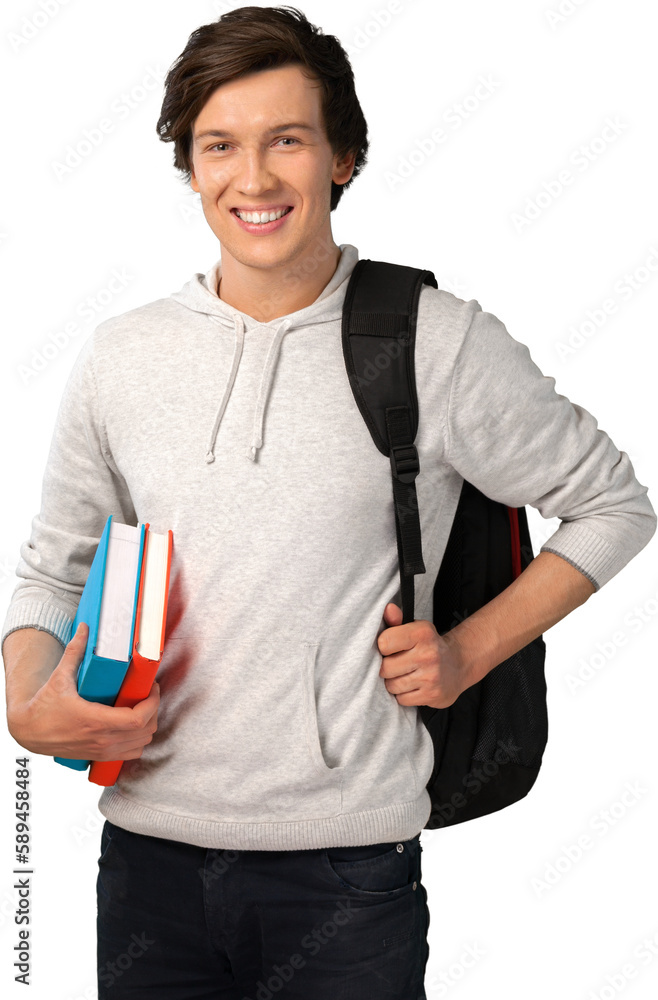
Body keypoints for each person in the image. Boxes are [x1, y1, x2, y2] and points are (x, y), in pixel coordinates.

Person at [2, 6, 655, 998]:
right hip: (145, 869)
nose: (253, 179)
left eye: (286, 141)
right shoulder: (120, 357)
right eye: (220, 145)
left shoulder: (434, 340)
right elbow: (55, 568)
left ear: (342, 157)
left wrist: (469, 651)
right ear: (188, 166)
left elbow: (613, 502)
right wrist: (28, 704)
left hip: (347, 878)